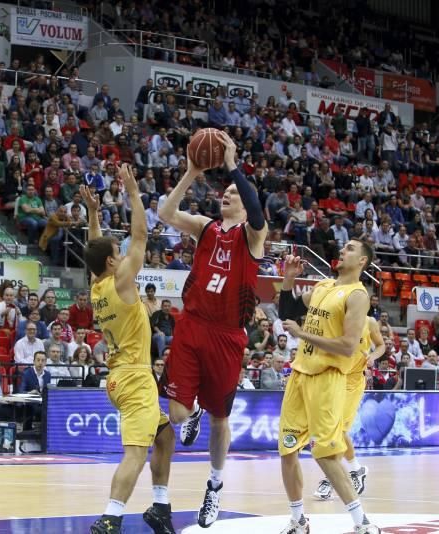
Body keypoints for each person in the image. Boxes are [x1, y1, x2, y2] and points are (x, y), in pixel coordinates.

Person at [158, 132, 266, 527]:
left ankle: (215, 487)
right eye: (226, 191)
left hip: (226, 334)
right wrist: (190, 172)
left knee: (221, 419)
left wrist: (234, 166)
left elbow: (256, 213)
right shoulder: (205, 227)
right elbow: (165, 214)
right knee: (176, 413)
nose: (228, 194)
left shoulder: (253, 237)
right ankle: (193, 412)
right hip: (192, 325)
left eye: (235, 193)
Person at [82, 163, 176, 534]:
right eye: (116, 253)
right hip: (135, 379)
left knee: (165, 435)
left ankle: (160, 506)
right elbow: (139, 236)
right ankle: (110, 516)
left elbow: (96, 247)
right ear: (112, 262)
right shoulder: (121, 281)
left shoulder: (97, 284)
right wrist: (134, 194)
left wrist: (93, 213)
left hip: (123, 378)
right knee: (136, 452)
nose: (123, 255)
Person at [277, 242, 379, 533]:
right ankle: (298, 521)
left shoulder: (357, 295)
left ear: (361, 261)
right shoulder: (323, 286)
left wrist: (303, 333)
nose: (342, 250)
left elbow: (348, 347)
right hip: (299, 375)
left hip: (327, 378)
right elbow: (288, 312)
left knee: (325, 453)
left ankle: (362, 523)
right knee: (287, 451)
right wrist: (288, 279)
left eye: (349, 248)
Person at [314, 315, 385, 501]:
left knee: (339, 429)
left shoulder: (369, 322)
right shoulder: (337, 319)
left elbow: (381, 345)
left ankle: (330, 478)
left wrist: (373, 357)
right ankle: (356, 470)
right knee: (334, 430)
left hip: (353, 382)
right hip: (333, 378)